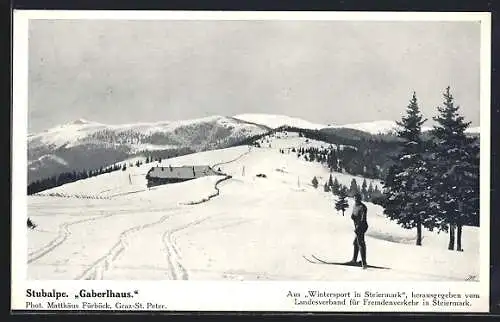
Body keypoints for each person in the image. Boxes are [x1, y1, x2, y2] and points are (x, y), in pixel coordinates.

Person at [349, 192, 368, 269]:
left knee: (360, 243)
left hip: (362, 226)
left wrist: (358, 227)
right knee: (355, 243)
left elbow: (363, 219)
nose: (356, 199)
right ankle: (354, 260)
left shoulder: (363, 207)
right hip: (357, 226)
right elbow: (355, 216)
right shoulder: (354, 206)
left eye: (357, 198)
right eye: (355, 198)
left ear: (360, 199)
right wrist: (353, 217)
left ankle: (364, 263)